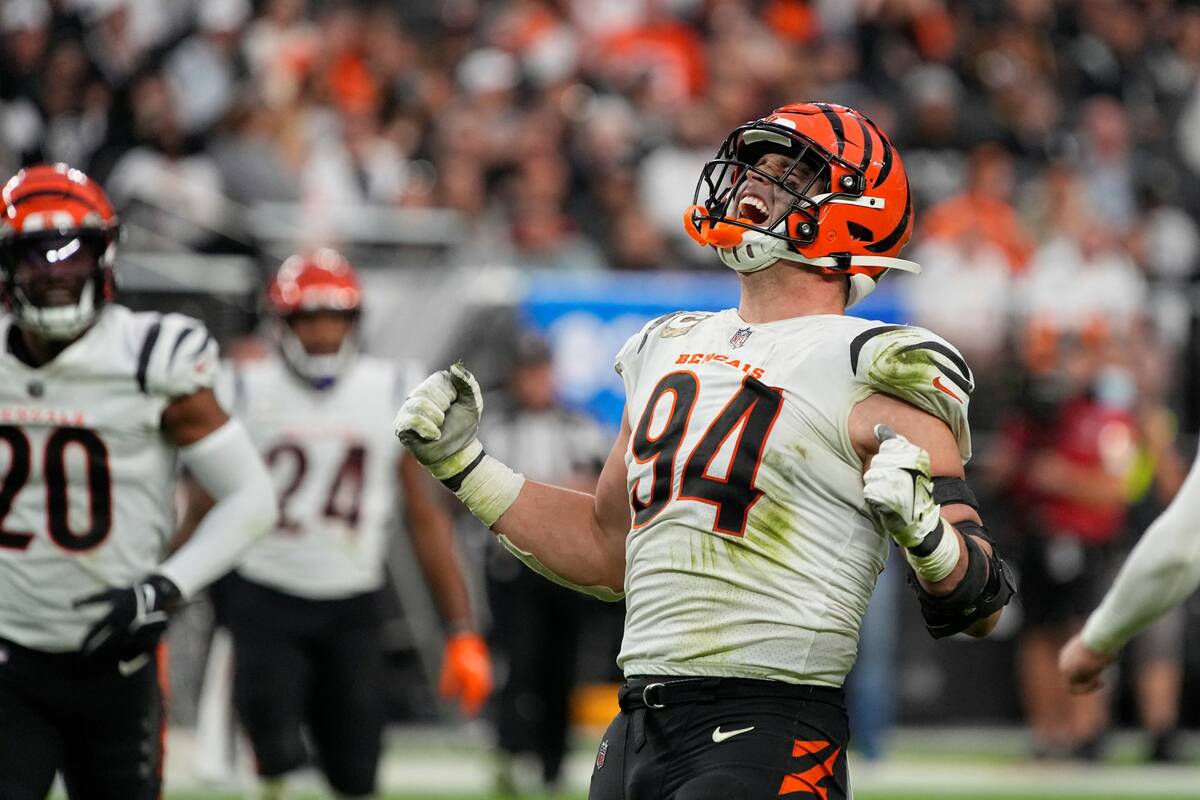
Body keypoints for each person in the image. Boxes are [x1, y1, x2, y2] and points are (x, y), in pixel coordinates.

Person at [394, 102, 1014, 798]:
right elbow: (606, 549)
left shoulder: (873, 361)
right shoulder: (670, 343)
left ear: (853, 210)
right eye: (759, 164)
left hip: (771, 722)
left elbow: (981, 602)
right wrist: (465, 467)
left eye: (790, 173)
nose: (756, 181)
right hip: (635, 729)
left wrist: (928, 537)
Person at [0, 162, 278, 799]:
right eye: (35, 258)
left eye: (73, 254)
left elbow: (252, 497)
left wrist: (165, 588)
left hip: (117, 658)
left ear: (105, 255)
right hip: (8, 656)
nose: (55, 274)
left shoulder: (150, 356)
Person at [184, 249, 491, 800]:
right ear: (283, 323)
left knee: (356, 772)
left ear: (354, 322)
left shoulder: (390, 387)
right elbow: (203, 502)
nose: (323, 334)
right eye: (309, 319)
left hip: (352, 604)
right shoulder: (246, 385)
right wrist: (162, 593)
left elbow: (426, 519)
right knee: (276, 760)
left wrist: (461, 628)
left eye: (334, 318)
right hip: (264, 597)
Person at [482, 332, 612, 794]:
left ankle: (553, 762)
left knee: (561, 665)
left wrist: (551, 491)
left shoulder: (580, 425)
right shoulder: (495, 427)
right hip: (513, 566)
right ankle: (511, 751)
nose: (535, 382)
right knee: (519, 663)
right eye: (527, 372)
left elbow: (605, 488)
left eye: (540, 371)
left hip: (566, 565)